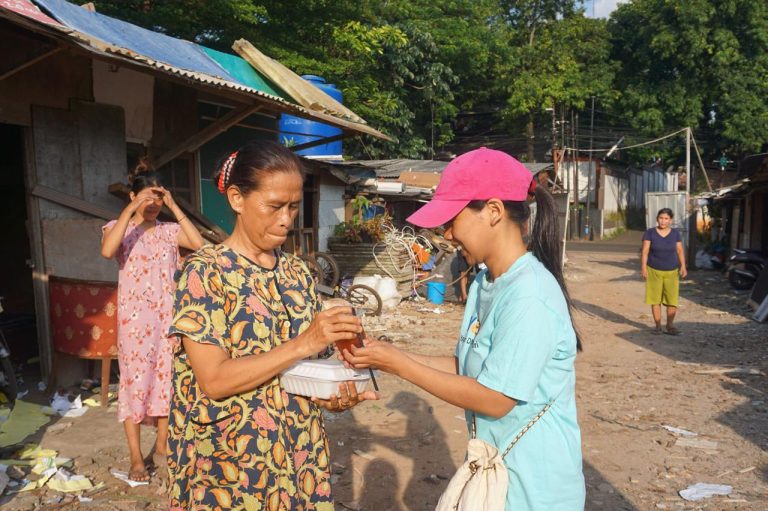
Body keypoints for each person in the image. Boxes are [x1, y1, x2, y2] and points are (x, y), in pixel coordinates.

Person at [344, 147, 586, 511]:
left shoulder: (529, 295)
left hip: (534, 490)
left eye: (452, 219)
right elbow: (468, 365)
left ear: (493, 211)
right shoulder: (485, 281)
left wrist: (399, 365)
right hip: (498, 477)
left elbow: (494, 397)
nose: (447, 233)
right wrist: (384, 355)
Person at [166, 141, 377, 510]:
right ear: (236, 199)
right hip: (231, 464)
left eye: (294, 207)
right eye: (274, 206)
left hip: (297, 457)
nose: (286, 219)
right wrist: (303, 344)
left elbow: (311, 370)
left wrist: (337, 394)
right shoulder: (205, 271)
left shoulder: (297, 273)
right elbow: (214, 381)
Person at [100, 158, 205, 482]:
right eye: (148, 197)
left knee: (166, 384)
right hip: (134, 324)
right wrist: (130, 211)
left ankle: (161, 446)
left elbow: (199, 244)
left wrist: (174, 204)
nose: (153, 204)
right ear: (133, 197)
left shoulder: (169, 231)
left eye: (158, 198)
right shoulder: (119, 229)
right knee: (133, 387)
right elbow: (107, 251)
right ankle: (135, 459)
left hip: (166, 322)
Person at [641, 208, 687, 335]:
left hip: (672, 271)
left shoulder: (675, 233)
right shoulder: (650, 233)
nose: (663, 221)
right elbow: (645, 251)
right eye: (661, 218)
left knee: (672, 300)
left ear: (670, 220)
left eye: (666, 218)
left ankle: (670, 325)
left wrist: (683, 266)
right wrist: (644, 268)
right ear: (657, 219)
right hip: (653, 270)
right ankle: (657, 326)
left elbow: (679, 250)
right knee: (655, 299)